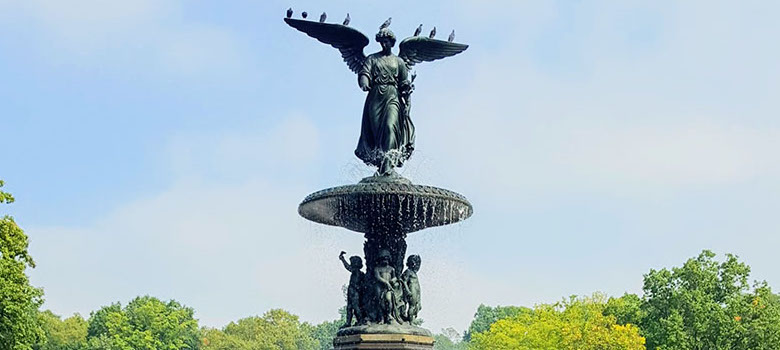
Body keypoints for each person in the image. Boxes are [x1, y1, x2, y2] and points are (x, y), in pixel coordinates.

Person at [355, 27, 415, 177]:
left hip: (392, 97)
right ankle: (381, 165)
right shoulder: (372, 59)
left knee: (390, 127)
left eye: (386, 42)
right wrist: (364, 81)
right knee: (376, 133)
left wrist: (407, 89)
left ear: (392, 42)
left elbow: (403, 82)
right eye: (381, 42)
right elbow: (365, 72)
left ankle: (388, 164)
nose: (383, 44)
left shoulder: (399, 62)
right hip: (375, 97)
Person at [339, 251, 365, 327]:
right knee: (350, 307)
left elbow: (347, 267)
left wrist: (342, 259)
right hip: (351, 291)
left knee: (354, 306)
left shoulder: (357, 272)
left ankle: (359, 320)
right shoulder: (358, 273)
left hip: (355, 291)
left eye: (352, 263)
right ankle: (349, 322)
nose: (351, 265)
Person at [401, 255, 422, 323]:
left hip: (416, 290)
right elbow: (404, 281)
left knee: (416, 306)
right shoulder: (408, 271)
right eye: (417, 264)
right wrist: (407, 290)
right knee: (412, 306)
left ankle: (410, 319)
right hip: (411, 289)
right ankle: (410, 322)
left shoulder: (414, 273)